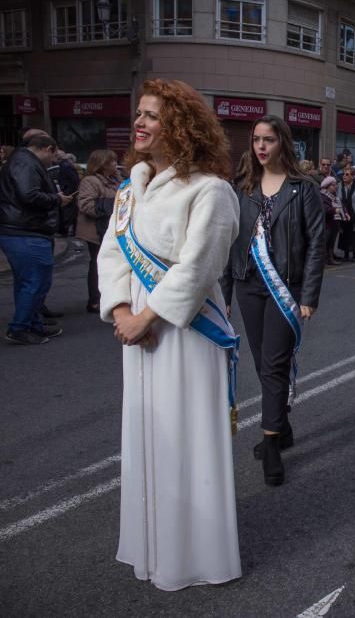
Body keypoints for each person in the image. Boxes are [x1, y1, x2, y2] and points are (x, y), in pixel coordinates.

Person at [97, 78, 241, 590]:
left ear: (179, 127)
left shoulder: (211, 190)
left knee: (185, 438)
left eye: (153, 116)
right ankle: (153, 549)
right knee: (148, 435)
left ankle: (196, 556)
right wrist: (118, 308)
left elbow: (199, 268)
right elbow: (112, 253)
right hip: (134, 328)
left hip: (182, 332)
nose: (139, 122)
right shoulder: (127, 189)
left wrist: (145, 318)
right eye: (139, 113)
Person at [222, 114, 325, 485]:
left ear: (283, 142)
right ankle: (281, 425)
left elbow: (316, 245)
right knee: (264, 362)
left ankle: (270, 447)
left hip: (286, 288)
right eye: (256, 140)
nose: (261, 146)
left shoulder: (303, 188)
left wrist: (309, 295)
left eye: (268, 139)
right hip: (248, 284)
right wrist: (226, 293)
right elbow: (229, 242)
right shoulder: (242, 187)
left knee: (275, 364)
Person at [0, 133, 73, 344]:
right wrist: (56, 199)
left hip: (23, 229)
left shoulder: (21, 161)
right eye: (54, 156)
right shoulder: (25, 163)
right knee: (35, 281)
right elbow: (29, 195)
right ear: (48, 149)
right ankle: (20, 327)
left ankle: (32, 324)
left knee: (28, 282)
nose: (53, 161)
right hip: (26, 231)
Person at [77, 149, 121, 313]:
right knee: (98, 263)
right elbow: (86, 205)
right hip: (96, 230)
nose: (115, 164)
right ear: (101, 164)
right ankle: (95, 300)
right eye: (111, 161)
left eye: (115, 160)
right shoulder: (91, 181)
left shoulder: (116, 180)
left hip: (112, 228)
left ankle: (110, 296)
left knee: (113, 263)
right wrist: (113, 206)